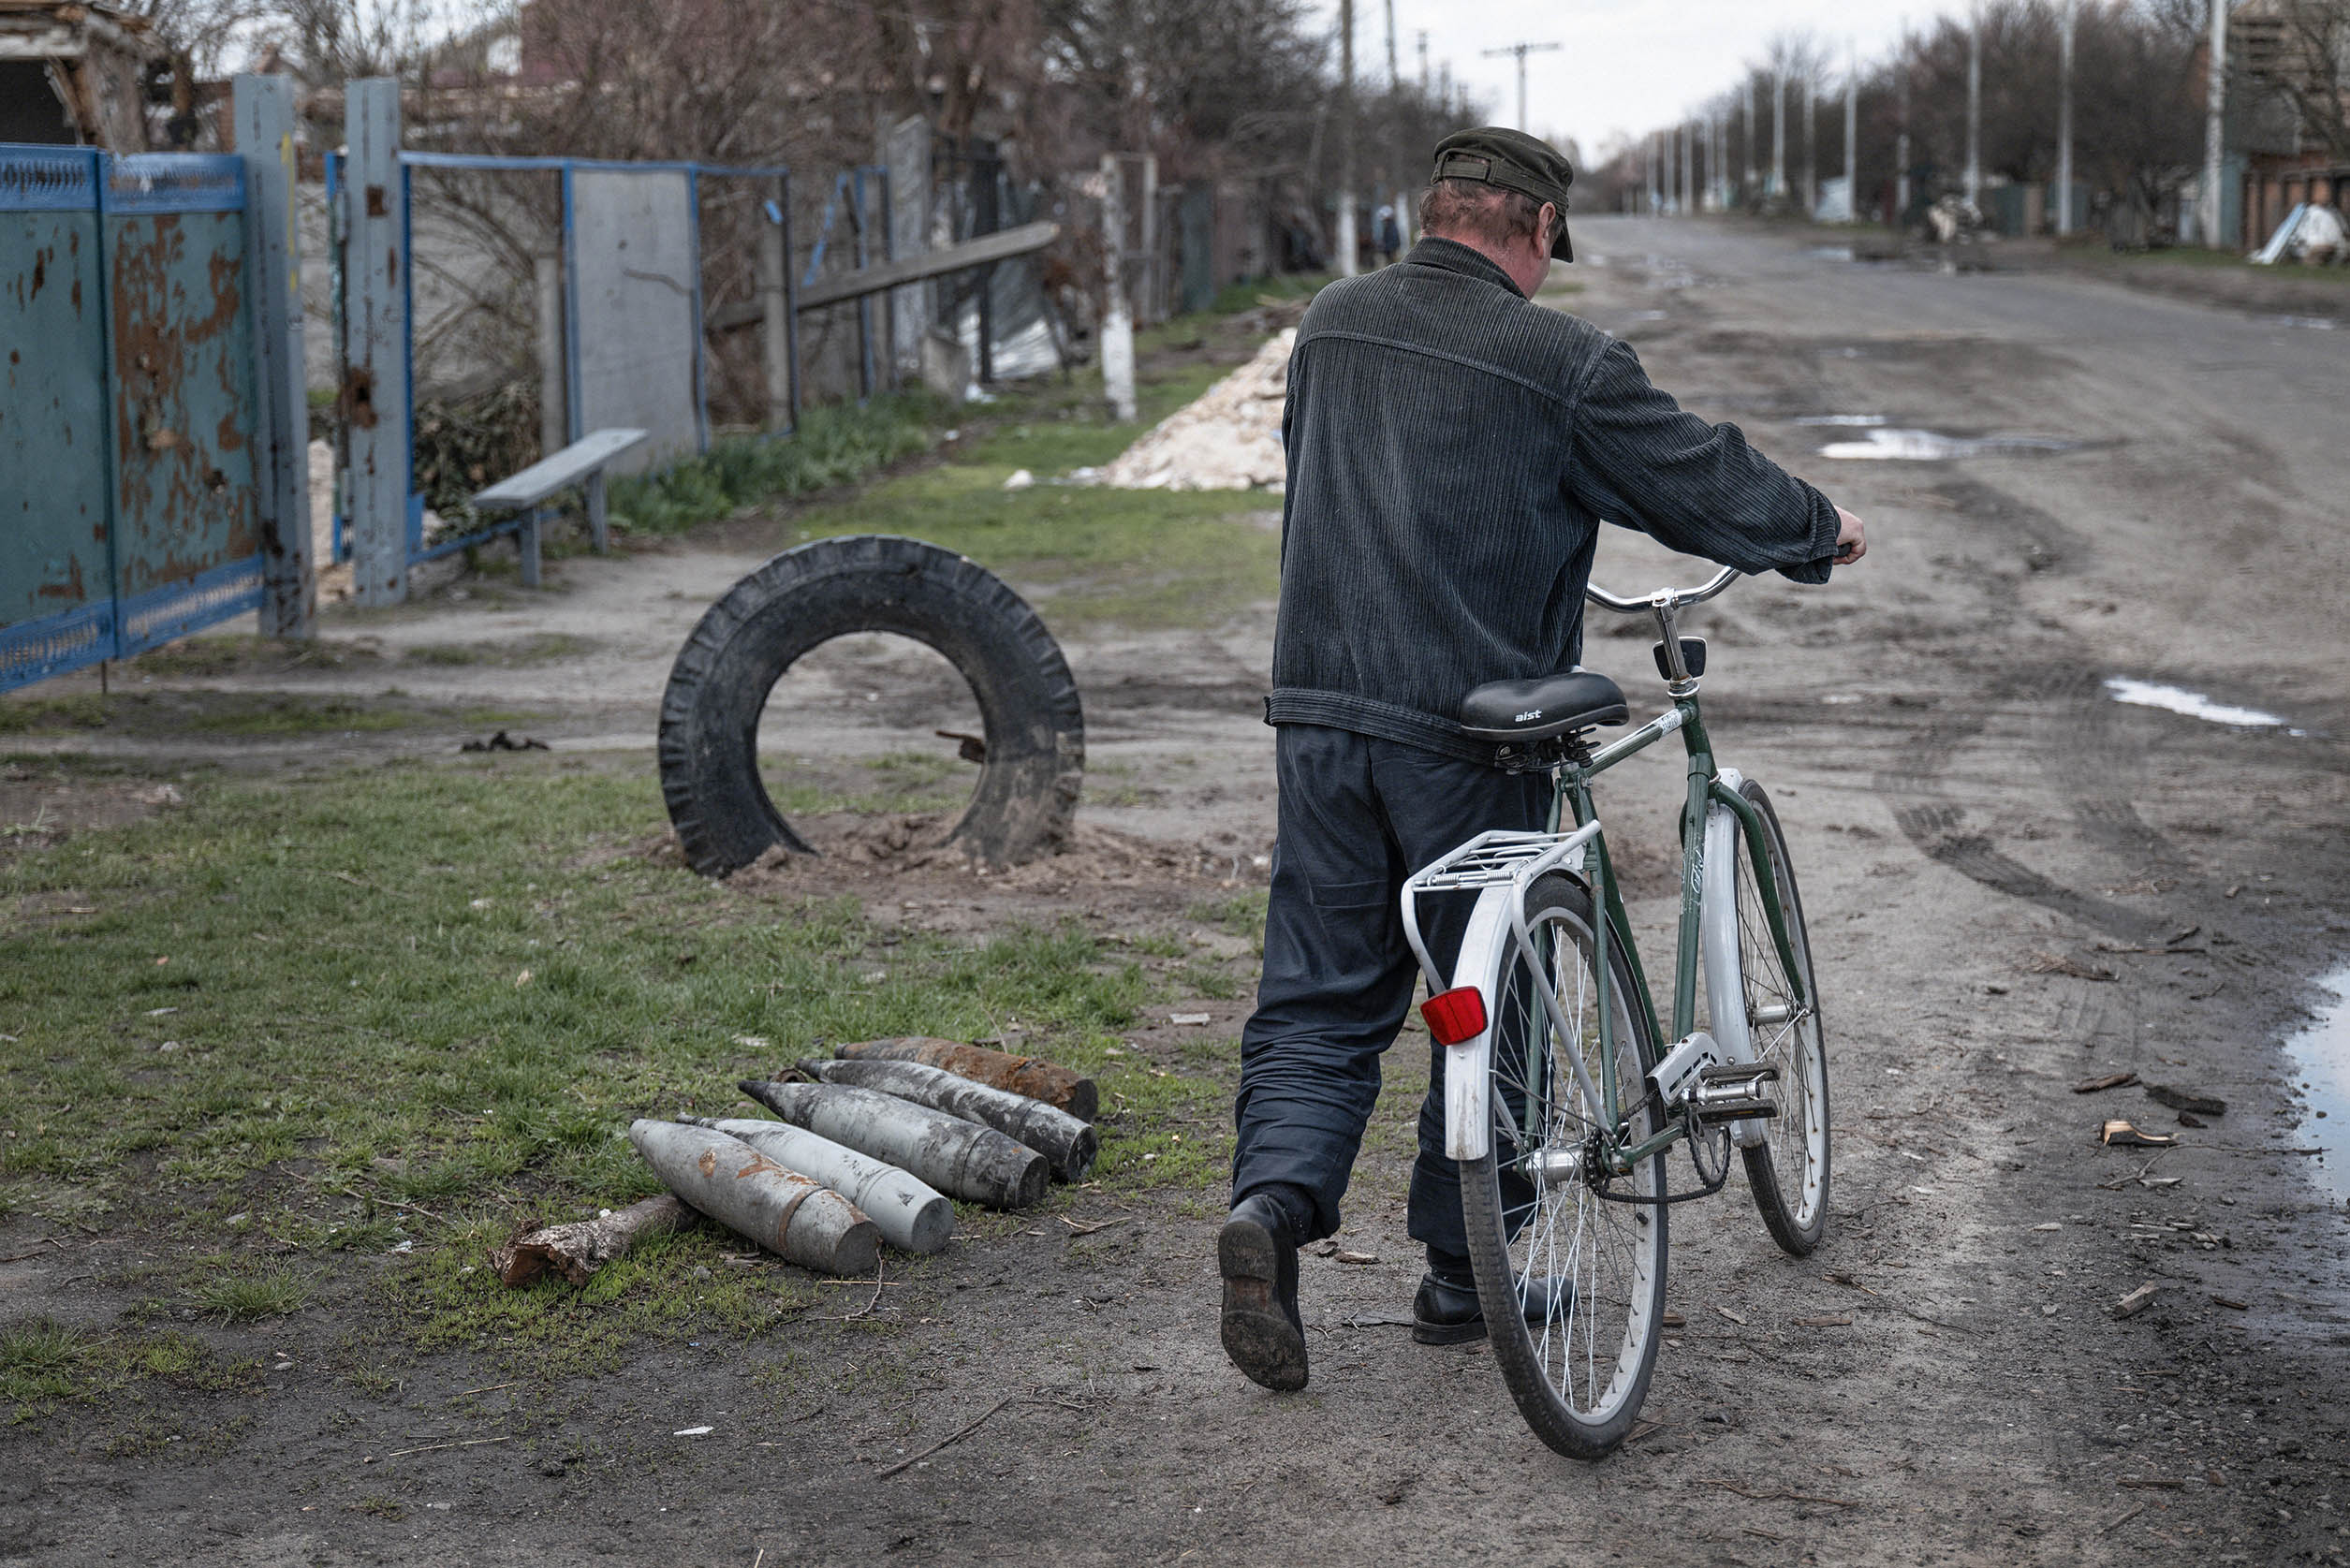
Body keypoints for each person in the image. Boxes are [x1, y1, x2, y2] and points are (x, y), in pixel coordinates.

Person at [1218, 126, 1867, 1392]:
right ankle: (1466, 1279)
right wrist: (1814, 529)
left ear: (1435, 213)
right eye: (1547, 255)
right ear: (1529, 232)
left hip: (1318, 710)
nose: (1547, 277)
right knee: (1499, 993)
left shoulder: (1332, 322)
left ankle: (1272, 1214)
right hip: (1468, 730)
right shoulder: (1555, 358)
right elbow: (1689, 476)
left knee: (1316, 995)